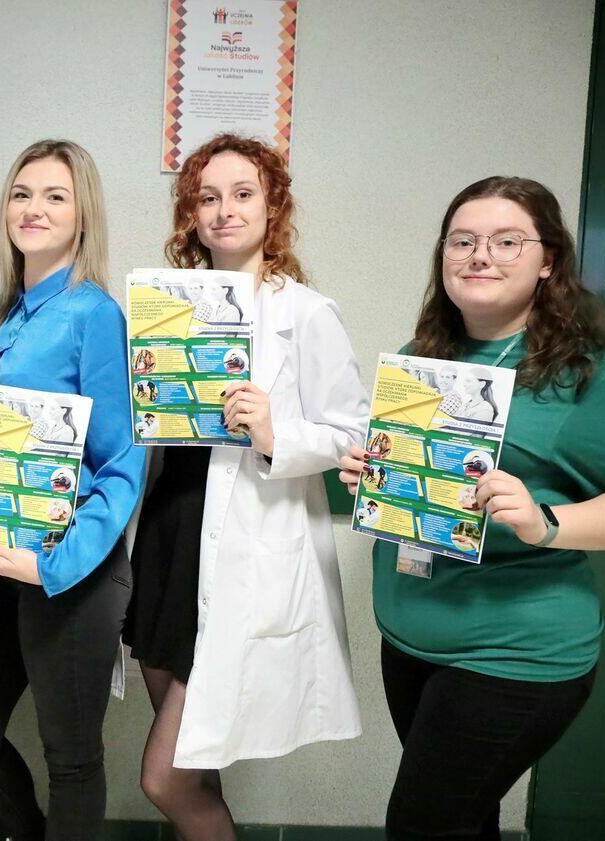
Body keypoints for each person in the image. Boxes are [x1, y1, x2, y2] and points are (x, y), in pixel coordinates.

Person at [338, 176, 605, 841]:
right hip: (411, 637)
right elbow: (415, 486)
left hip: (514, 651)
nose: (480, 255)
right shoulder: (421, 359)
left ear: (548, 260)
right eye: (462, 240)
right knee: (465, 821)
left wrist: (545, 521)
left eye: (507, 241)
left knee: (422, 826)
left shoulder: (589, 376)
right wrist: (372, 476)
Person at [123, 133, 367, 840]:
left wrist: (273, 431)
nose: (224, 210)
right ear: (191, 215)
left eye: (242, 194)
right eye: (208, 197)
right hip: (168, 537)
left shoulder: (307, 314)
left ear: (272, 207)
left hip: (244, 556)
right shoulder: (163, 309)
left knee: (164, 778)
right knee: (195, 764)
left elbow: (355, 435)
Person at [0, 139, 145, 841]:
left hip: (71, 571)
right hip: (0, 559)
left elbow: (121, 465)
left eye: (56, 196)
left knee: (72, 761)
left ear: (83, 214)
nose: (34, 208)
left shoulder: (94, 315)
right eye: (22, 193)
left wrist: (54, 564)